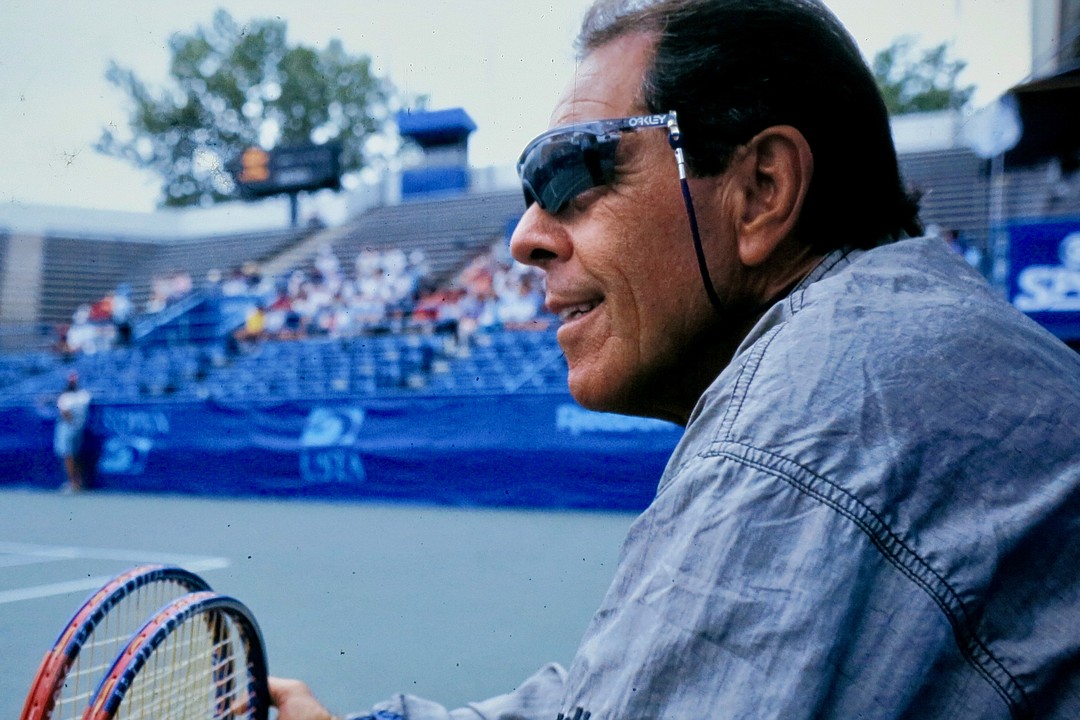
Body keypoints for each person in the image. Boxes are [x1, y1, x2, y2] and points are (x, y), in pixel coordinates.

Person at [272, 1, 1080, 718]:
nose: (525, 236)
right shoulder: (884, 341)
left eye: (574, 170)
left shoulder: (811, 422)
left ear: (761, 189)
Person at [54, 372, 91, 492]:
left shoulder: (66, 397)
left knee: (68, 455)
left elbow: (65, 413)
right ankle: (78, 481)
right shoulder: (83, 395)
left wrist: (71, 423)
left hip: (67, 428)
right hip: (78, 428)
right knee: (74, 455)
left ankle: (73, 483)